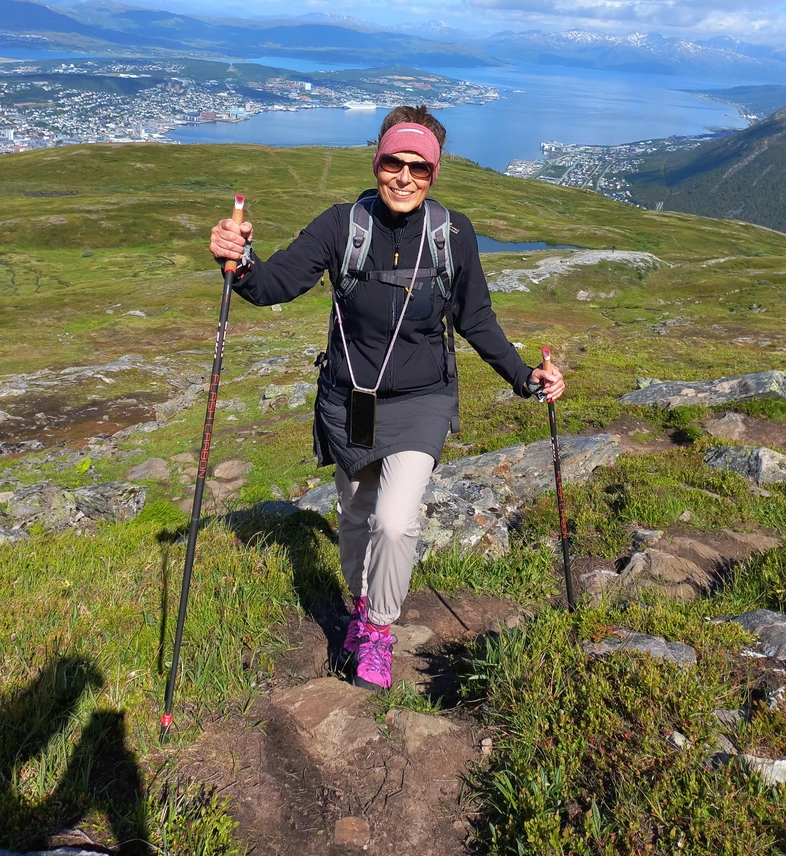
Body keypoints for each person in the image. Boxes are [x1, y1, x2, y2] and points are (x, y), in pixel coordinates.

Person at [209, 106, 564, 690]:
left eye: (418, 167)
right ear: (376, 163)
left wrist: (525, 377)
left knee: (395, 524)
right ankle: (357, 603)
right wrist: (240, 261)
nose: (404, 176)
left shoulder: (452, 235)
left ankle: (377, 627)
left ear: (434, 173)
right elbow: (273, 285)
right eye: (393, 163)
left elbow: (476, 320)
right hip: (348, 401)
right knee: (354, 516)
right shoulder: (341, 226)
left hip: (423, 400)